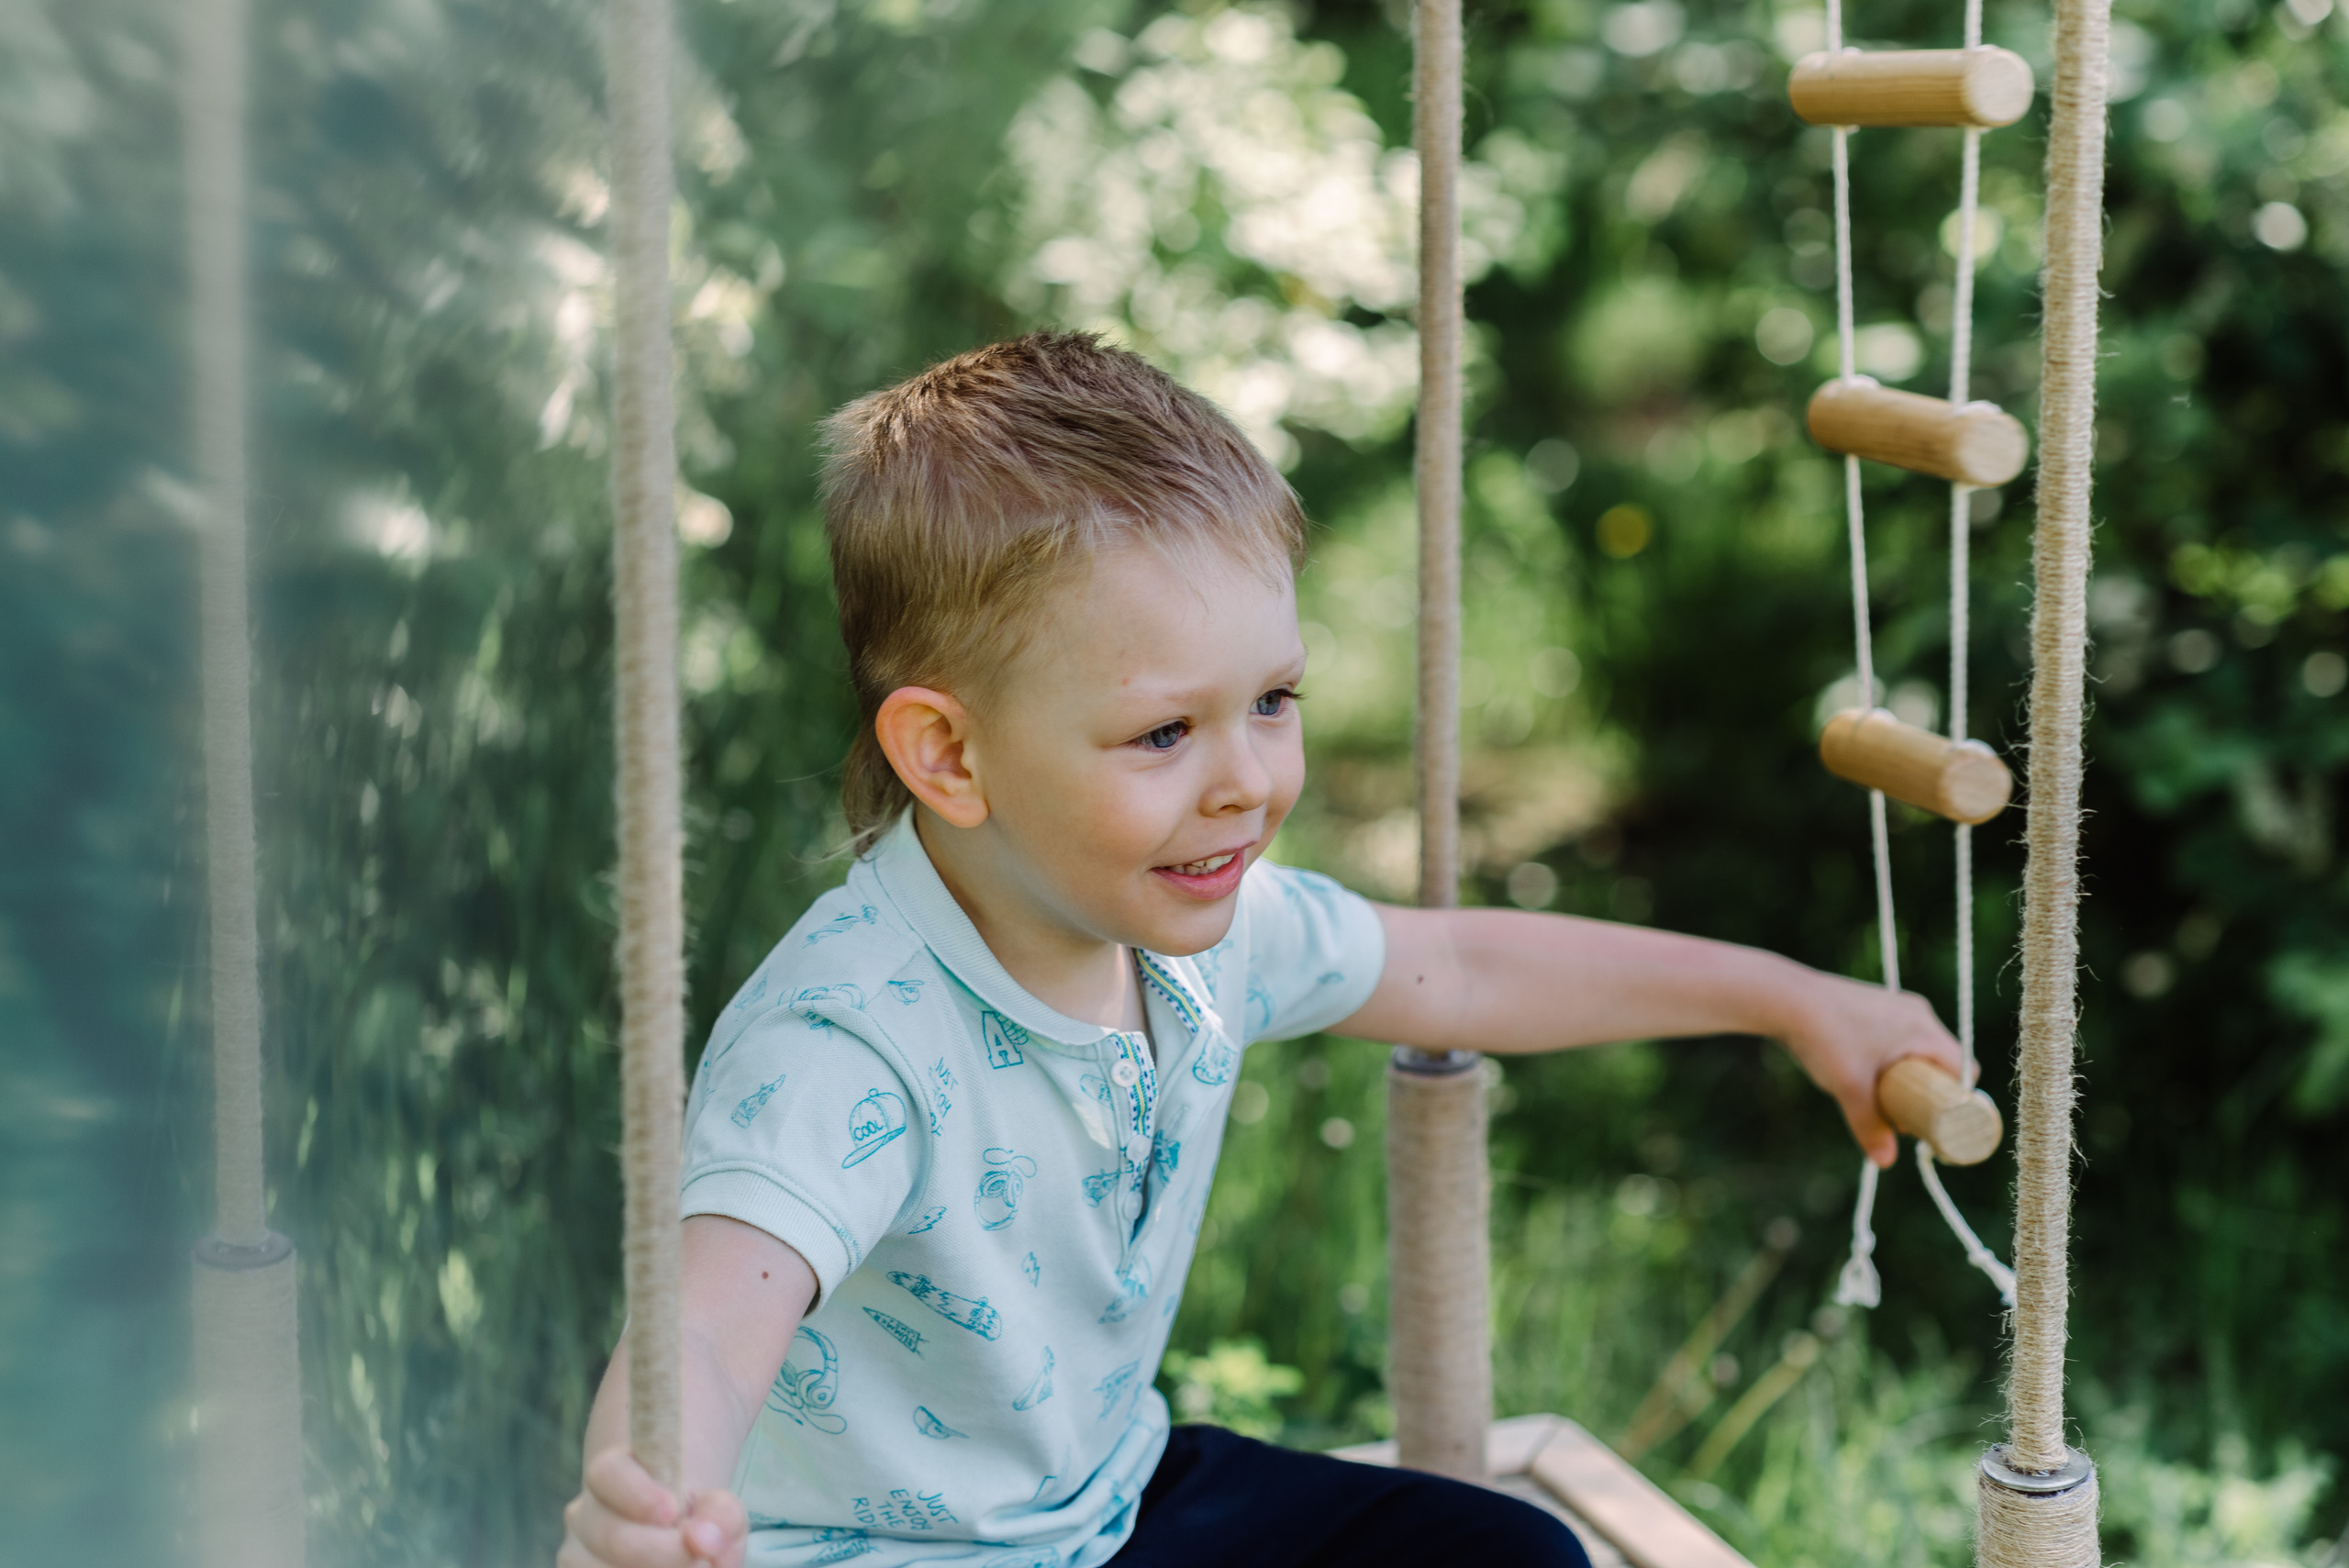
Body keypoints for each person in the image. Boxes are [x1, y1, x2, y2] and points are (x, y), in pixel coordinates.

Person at [557, 332, 1961, 1568]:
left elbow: (1463, 969)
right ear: (949, 751)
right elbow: (707, 1320)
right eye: (1165, 731)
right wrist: (649, 1500)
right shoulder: (849, 1039)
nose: (1245, 782)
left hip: (1104, 1508)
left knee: (1514, 1553)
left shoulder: (1189, 927)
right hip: (885, 1556)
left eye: (1273, 700)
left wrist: (1792, 1000)